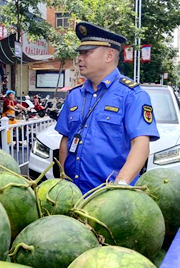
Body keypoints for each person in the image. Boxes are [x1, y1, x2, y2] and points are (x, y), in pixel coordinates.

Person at [55, 22, 159, 193]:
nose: (79, 58)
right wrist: (64, 183)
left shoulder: (132, 95)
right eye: (79, 53)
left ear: (109, 55)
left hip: (111, 200)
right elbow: (66, 140)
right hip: (74, 196)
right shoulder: (75, 96)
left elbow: (141, 144)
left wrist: (119, 186)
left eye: (86, 53)